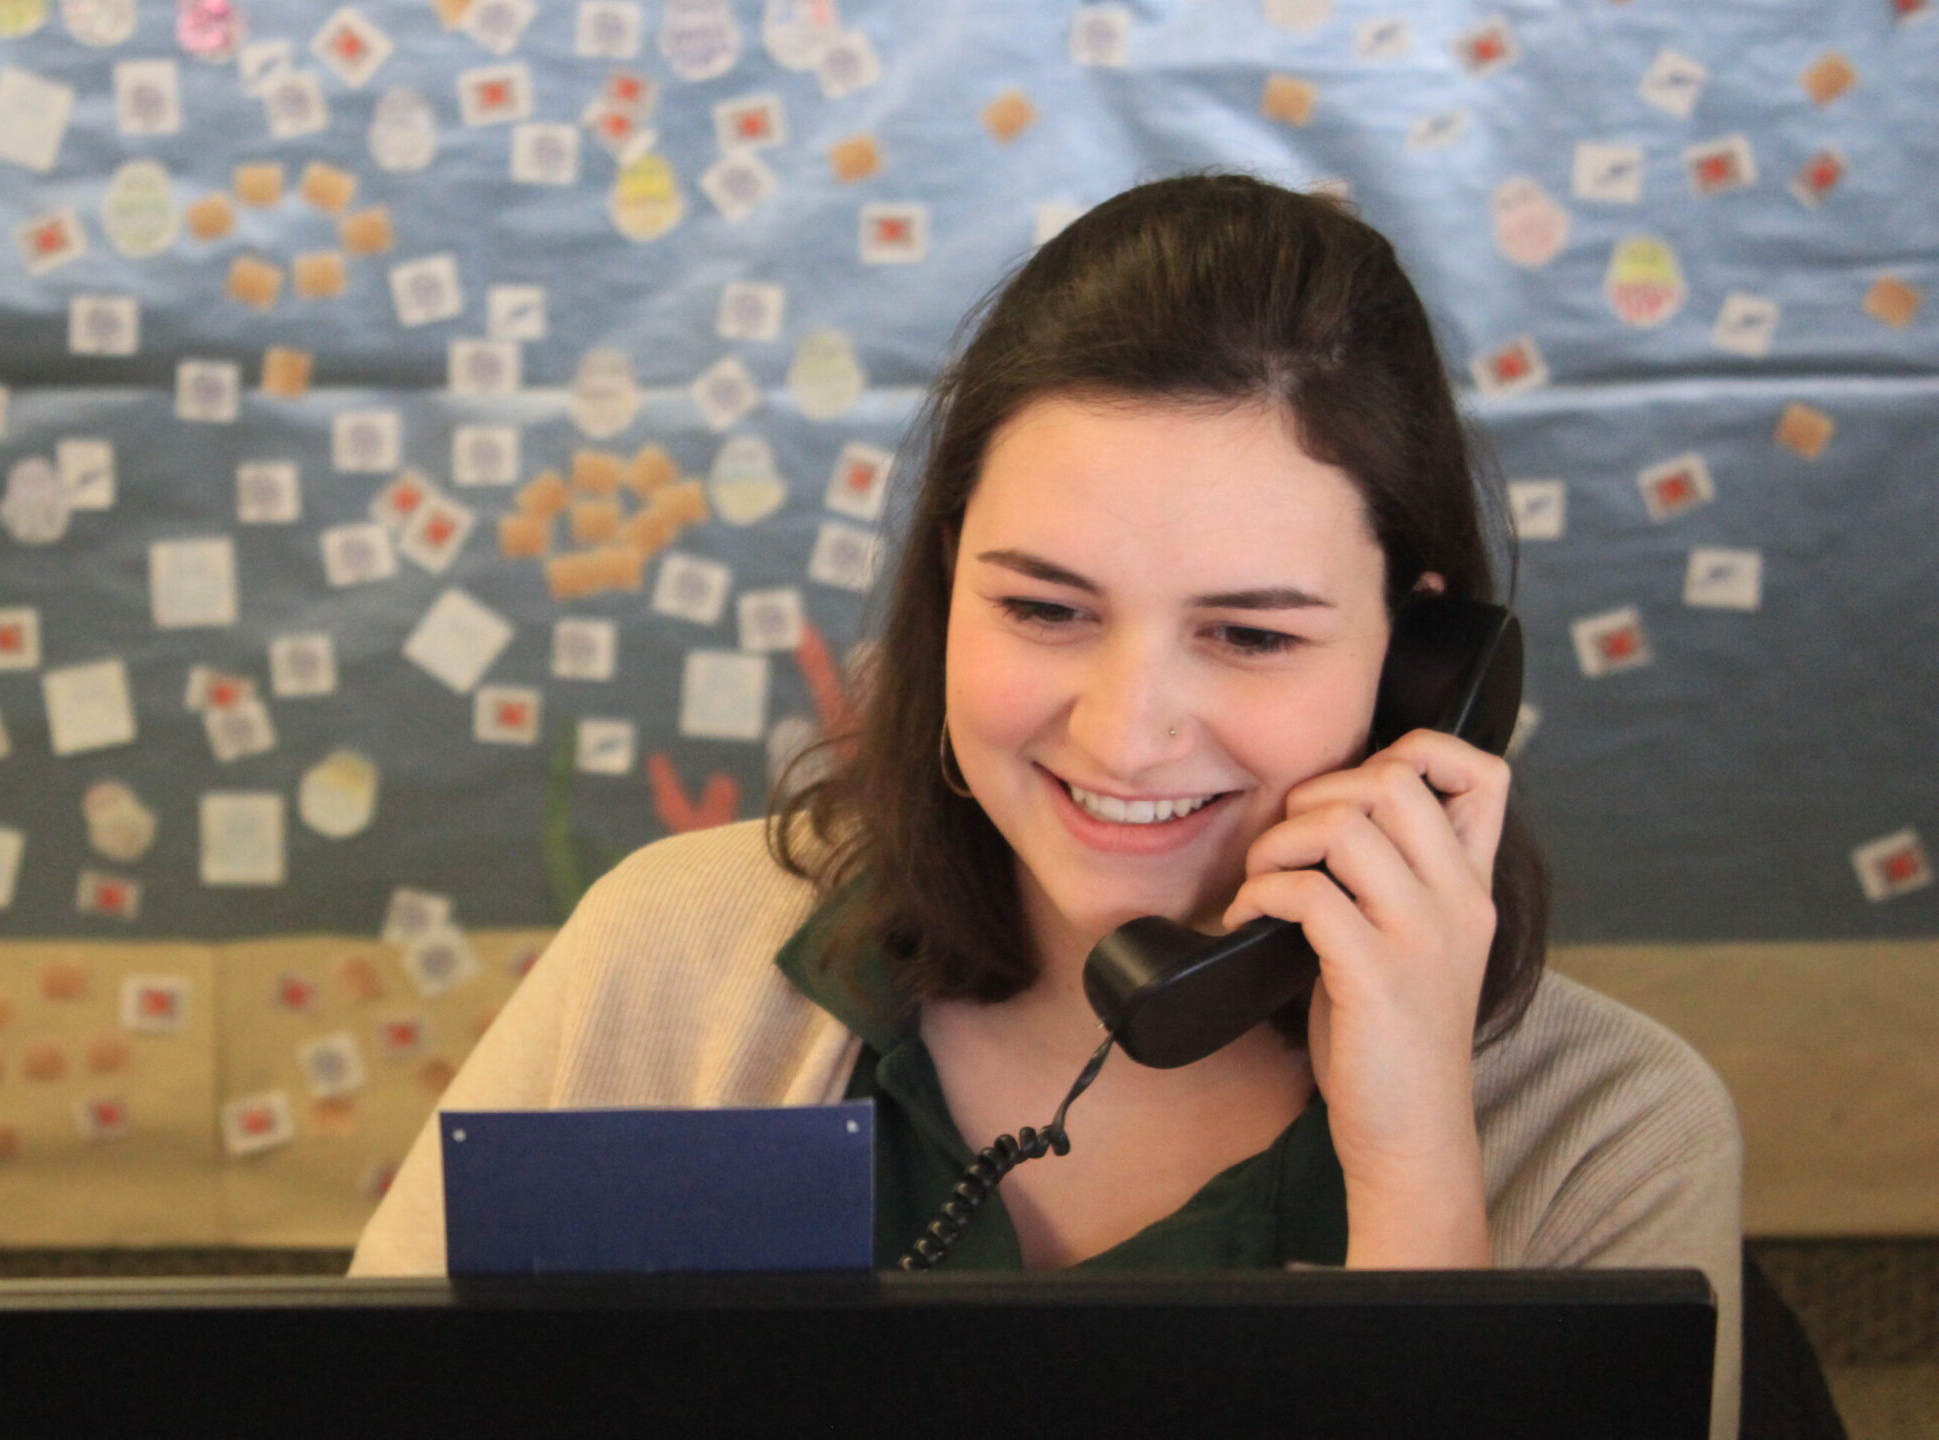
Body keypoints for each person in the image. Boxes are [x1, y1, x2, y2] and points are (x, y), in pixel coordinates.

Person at [351, 173, 1743, 1438]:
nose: (1124, 734)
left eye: (1251, 636)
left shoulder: (1612, 1126)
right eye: (1043, 607)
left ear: (1424, 669)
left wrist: (1414, 1159)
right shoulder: (665, 957)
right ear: (949, 587)